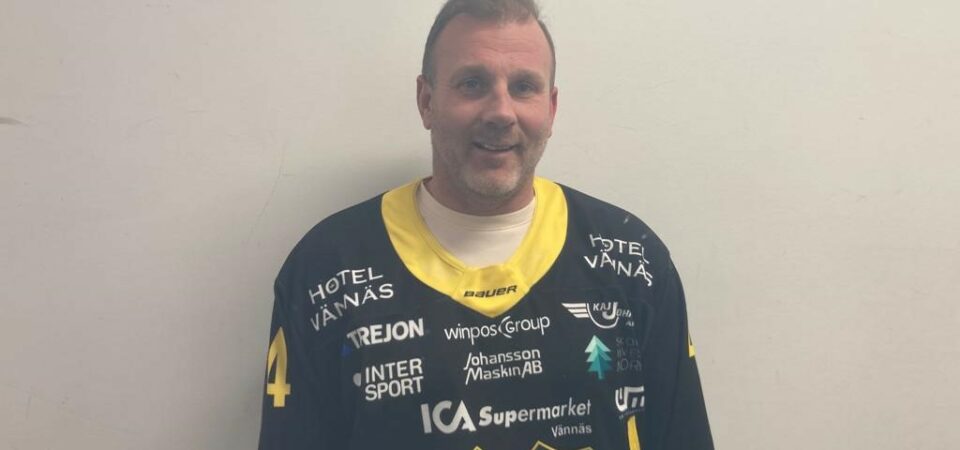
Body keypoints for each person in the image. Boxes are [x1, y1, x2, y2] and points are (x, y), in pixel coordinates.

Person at [257, 0, 713, 449]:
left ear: (551, 108)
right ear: (426, 101)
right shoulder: (327, 268)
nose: (501, 112)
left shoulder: (632, 258)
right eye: (472, 84)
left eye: (524, 86)